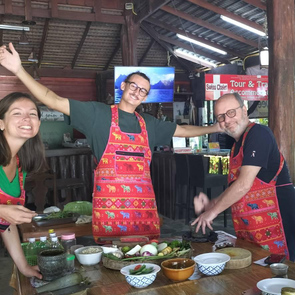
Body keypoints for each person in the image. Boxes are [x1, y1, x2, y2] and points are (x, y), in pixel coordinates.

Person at [0, 43, 221, 243]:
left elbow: (183, 130)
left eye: (143, 90)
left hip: (143, 213)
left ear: (146, 96)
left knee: (147, 260)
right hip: (109, 216)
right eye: (134, 86)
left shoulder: (150, 124)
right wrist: (19, 70)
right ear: (123, 86)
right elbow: (53, 100)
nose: (137, 92)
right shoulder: (98, 114)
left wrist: (215, 128)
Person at [191, 93, 295, 260]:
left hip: (277, 222)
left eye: (231, 112)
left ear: (244, 110)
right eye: (221, 117)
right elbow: (235, 188)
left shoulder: (259, 133)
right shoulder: (237, 146)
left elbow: (244, 184)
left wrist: (212, 212)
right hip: (250, 226)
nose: (227, 120)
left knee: (275, 277)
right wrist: (211, 204)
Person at [0, 92, 46, 279]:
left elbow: (6, 223)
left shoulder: (19, 164)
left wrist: (24, 266)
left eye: (32, 114)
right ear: (1, 122)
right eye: (17, 113)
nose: (26, 118)